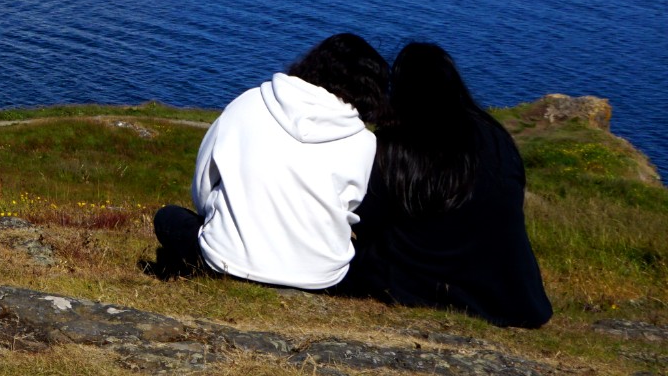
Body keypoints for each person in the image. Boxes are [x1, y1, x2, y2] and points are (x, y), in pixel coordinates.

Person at [152, 33, 389, 289]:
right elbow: (350, 207)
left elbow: (203, 182)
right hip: (320, 279)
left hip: (227, 259)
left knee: (168, 218)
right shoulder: (363, 141)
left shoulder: (248, 102)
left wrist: (219, 221)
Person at [348, 43, 552, 327]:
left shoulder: (396, 145)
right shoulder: (496, 136)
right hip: (507, 290)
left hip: (417, 281)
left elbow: (366, 217)